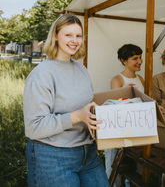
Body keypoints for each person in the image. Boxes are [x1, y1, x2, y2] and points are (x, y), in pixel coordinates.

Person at [23, 13, 109, 187]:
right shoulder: (42, 74)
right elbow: (34, 127)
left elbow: (86, 106)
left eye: (78, 35)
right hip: (53, 156)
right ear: (55, 36)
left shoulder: (81, 69)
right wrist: (77, 116)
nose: (74, 40)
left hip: (88, 154)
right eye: (68, 35)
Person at [105, 44, 144, 187]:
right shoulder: (117, 80)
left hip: (136, 130)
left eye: (140, 58)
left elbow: (146, 101)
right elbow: (115, 106)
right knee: (113, 168)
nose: (139, 61)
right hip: (118, 131)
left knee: (136, 168)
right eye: (135, 58)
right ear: (123, 60)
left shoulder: (140, 78)